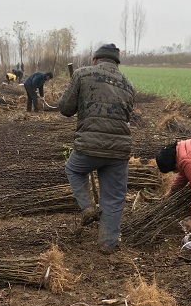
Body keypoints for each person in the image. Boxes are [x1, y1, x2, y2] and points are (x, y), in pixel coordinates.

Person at [57, 44, 135, 253]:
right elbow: (126, 116)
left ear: (95, 60)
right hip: (119, 150)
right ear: (117, 63)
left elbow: (64, 109)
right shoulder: (128, 84)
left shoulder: (82, 74)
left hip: (88, 146)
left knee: (73, 169)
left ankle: (88, 208)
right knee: (114, 197)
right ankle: (108, 244)